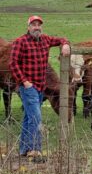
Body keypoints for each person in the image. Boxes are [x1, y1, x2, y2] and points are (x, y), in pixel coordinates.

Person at [10, 15, 70, 161]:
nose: (37, 27)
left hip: (40, 87)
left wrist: (66, 44)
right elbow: (13, 64)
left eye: (39, 25)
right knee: (36, 117)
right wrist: (24, 81)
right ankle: (35, 150)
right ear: (28, 27)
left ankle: (24, 149)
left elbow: (61, 39)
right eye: (33, 24)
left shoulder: (45, 40)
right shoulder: (20, 42)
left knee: (28, 117)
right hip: (28, 87)